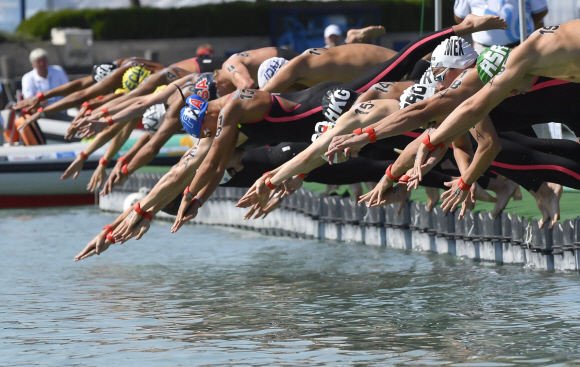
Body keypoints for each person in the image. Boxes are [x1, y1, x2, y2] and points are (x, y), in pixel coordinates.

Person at [454, 0, 548, 53]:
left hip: (520, 46)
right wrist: (476, 29)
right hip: (482, 49)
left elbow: (540, 11)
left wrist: (525, 28)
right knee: (485, 85)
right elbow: (460, 17)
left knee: (520, 85)